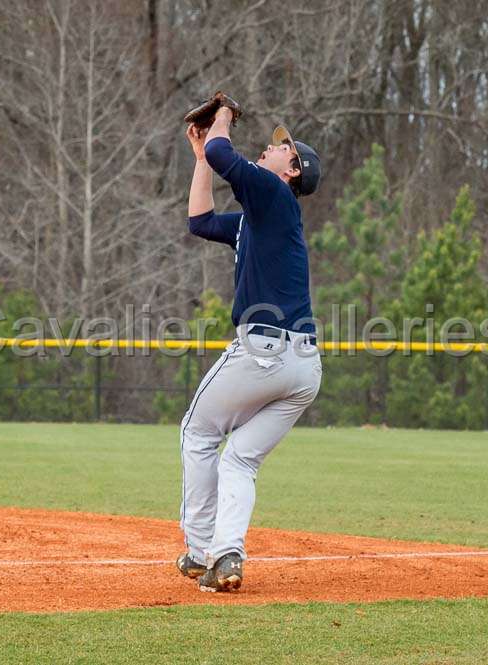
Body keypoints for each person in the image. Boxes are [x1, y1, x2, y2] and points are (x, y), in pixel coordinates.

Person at [176, 105, 323, 591]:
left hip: (264, 351)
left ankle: (200, 551)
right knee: (239, 457)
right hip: (303, 370)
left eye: (282, 146)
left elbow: (225, 151)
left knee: (198, 432)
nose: (271, 146)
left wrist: (221, 115)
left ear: (293, 170)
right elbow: (200, 221)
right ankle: (228, 557)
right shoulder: (257, 217)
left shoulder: (275, 194)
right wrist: (200, 156)